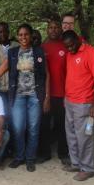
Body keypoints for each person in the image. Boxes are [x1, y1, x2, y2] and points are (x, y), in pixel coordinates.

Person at [0, 23, 47, 172]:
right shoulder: (13, 52)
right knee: (18, 128)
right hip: (18, 96)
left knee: (33, 129)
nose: (23, 37)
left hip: (35, 96)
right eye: (20, 35)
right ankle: (19, 157)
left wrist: (46, 97)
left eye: (26, 34)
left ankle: (30, 159)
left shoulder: (39, 52)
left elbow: (47, 76)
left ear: (30, 35)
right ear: (18, 36)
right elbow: (0, 71)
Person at [62, 30, 94, 181]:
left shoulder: (90, 52)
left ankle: (87, 168)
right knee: (71, 135)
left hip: (84, 104)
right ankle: (76, 163)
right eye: (67, 47)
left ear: (78, 39)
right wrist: (66, 97)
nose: (70, 49)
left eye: (72, 45)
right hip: (70, 102)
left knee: (84, 137)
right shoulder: (69, 54)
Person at [37, 20, 70, 165]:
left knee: (62, 125)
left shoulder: (67, 47)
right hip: (46, 95)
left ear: (60, 30)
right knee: (44, 125)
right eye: (51, 28)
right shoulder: (41, 48)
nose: (54, 30)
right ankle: (45, 153)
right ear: (47, 30)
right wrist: (45, 96)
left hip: (63, 94)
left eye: (56, 27)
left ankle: (63, 153)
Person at [0, 22, 19, 121]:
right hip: (0, 88)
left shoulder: (16, 46)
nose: (2, 34)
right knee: (3, 115)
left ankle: (14, 136)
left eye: (4, 31)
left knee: (14, 116)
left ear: (8, 32)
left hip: (14, 88)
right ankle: (6, 135)